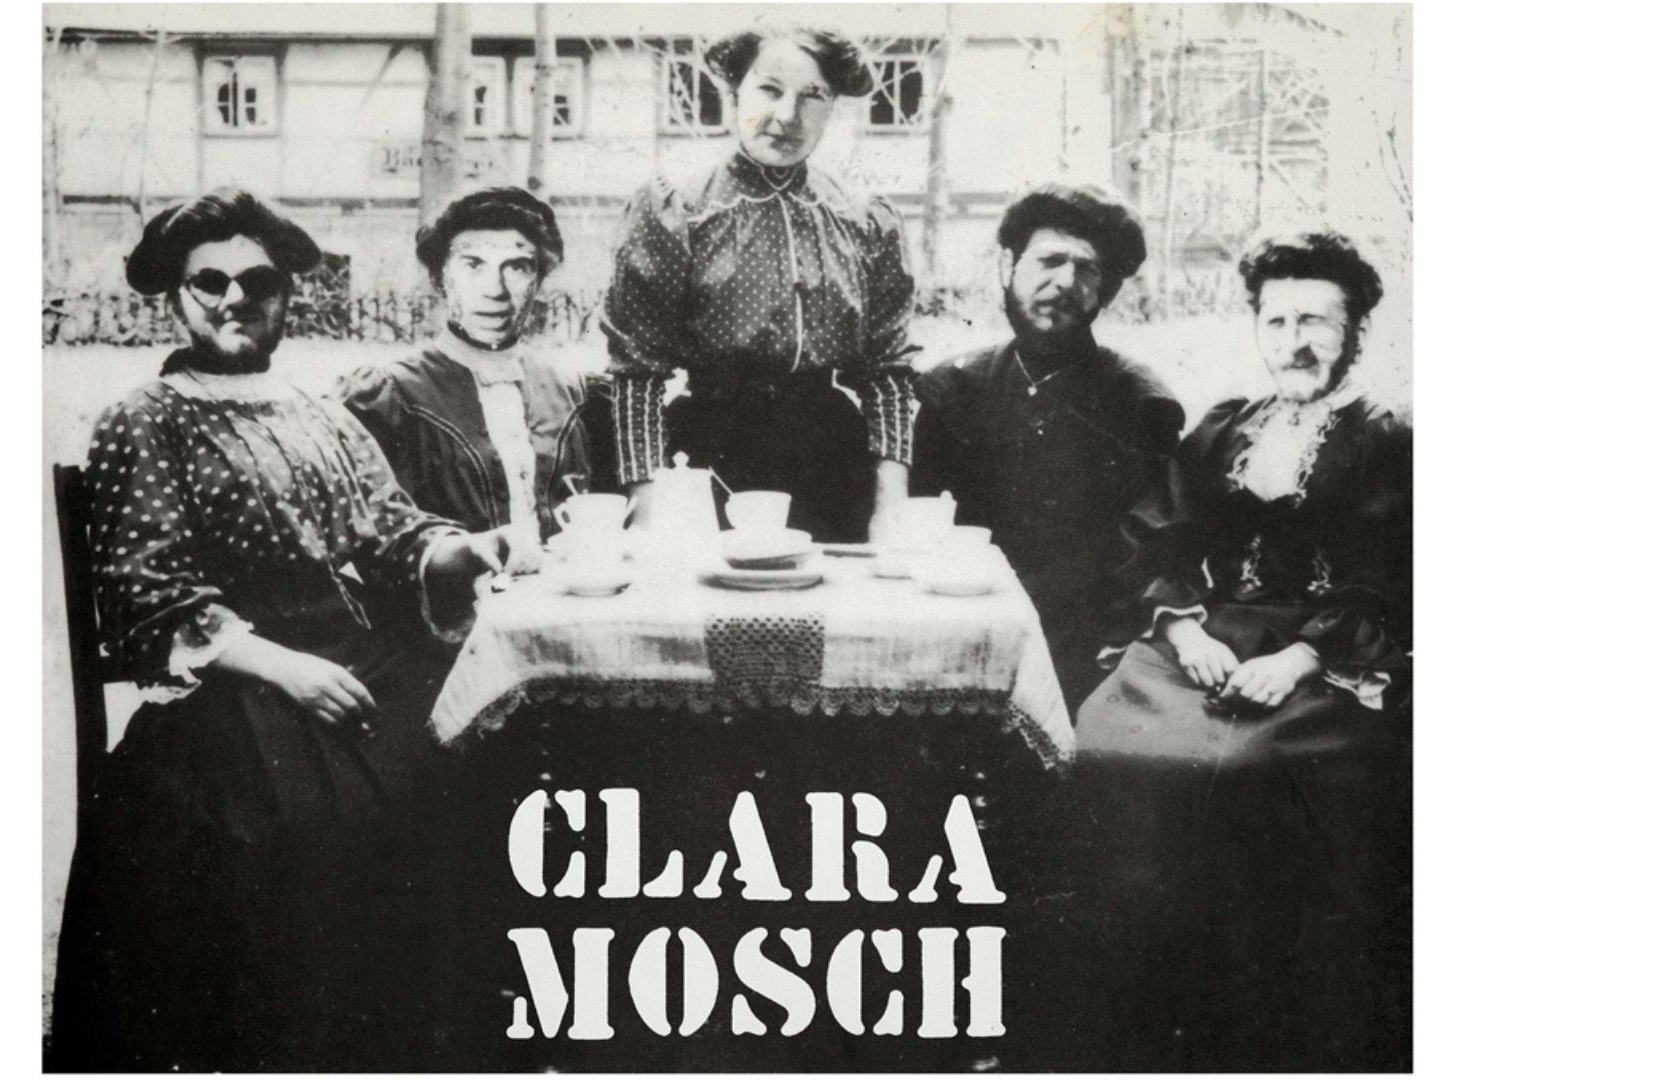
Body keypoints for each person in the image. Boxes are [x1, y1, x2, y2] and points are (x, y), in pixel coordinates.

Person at [48, 188, 509, 1071]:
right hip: (235, 701)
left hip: (358, 668)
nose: (233, 300)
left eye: (255, 281)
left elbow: (391, 532)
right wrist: (284, 669)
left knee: (487, 773)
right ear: (176, 300)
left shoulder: (320, 411)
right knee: (312, 834)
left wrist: (467, 548)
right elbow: (147, 590)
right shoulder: (146, 420)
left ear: (286, 293)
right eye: (207, 283)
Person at [1071, 231, 1413, 1069]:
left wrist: (1298, 658)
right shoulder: (1227, 426)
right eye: (1277, 320)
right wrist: (1184, 630)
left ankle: (1261, 1022)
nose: (1293, 341)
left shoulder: (1389, 439)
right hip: (1211, 635)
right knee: (1112, 738)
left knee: (1256, 771)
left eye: (1317, 322)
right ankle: (1141, 1009)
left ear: (1357, 330)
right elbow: (1160, 540)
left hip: (1330, 650)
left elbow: (1389, 575)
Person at [601, 22, 919, 543]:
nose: (787, 116)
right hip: (708, 454)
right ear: (734, 92)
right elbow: (637, 370)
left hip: (829, 460)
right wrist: (646, 496)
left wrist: (891, 502)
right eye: (769, 90)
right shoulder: (680, 209)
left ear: (833, 107)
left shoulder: (861, 217)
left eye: (812, 97)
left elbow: (888, 370)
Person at [910, 183, 1182, 706]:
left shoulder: (1140, 406)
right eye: (1050, 261)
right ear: (1008, 265)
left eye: (1088, 270)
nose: (1065, 283)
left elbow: (1148, 560)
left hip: (1086, 651)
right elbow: (920, 534)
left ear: (1106, 292)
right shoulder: (952, 391)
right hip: (962, 633)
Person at [341, 187, 611, 577]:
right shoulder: (391, 394)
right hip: (448, 624)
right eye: (473, 265)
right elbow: (368, 535)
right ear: (439, 279)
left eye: (517, 267)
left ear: (539, 280)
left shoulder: (574, 391)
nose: (495, 290)